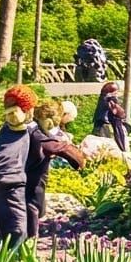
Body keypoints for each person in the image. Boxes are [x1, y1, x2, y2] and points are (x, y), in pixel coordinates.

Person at [26, 99, 85, 239]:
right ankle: (27, 245)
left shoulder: (32, 127)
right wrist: (76, 158)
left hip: (32, 178)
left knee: (37, 207)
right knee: (32, 208)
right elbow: (53, 145)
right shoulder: (35, 131)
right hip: (29, 181)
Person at [0, 86, 38, 247]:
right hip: (11, 184)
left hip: (10, 183)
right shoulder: (18, 130)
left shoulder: (10, 130)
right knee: (17, 230)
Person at [92, 82, 131, 153]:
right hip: (105, 127)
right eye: (116, 92)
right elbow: (120, 114)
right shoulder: (110, 100)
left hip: (101, 125)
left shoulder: (103, 99)